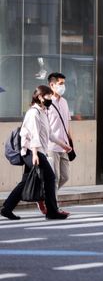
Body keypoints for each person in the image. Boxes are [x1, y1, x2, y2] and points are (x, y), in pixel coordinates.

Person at [1, 86, 70, 221]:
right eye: (48, 96)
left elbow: (49, 134)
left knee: (25, 182)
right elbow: (33, 135)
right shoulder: (33, 113)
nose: (50, 99)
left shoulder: (43, 112)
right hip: (32, 151)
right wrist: (34, 154)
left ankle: (6, 209)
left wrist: (63, 145)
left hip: (37, 151)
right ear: (40, 97)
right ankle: (52, 211)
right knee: (50, 178)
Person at [46, 72, 73, 204]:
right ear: (52, 85)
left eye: (64, 83)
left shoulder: (64, 102)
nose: (63, 86)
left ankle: (47, 195)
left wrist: (70, 141)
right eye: (60, 84)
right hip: (52, 146)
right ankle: (53, 205)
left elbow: (67, 123)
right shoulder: (46, 103)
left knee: (65, 176)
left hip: (65, 146)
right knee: (55, 177)